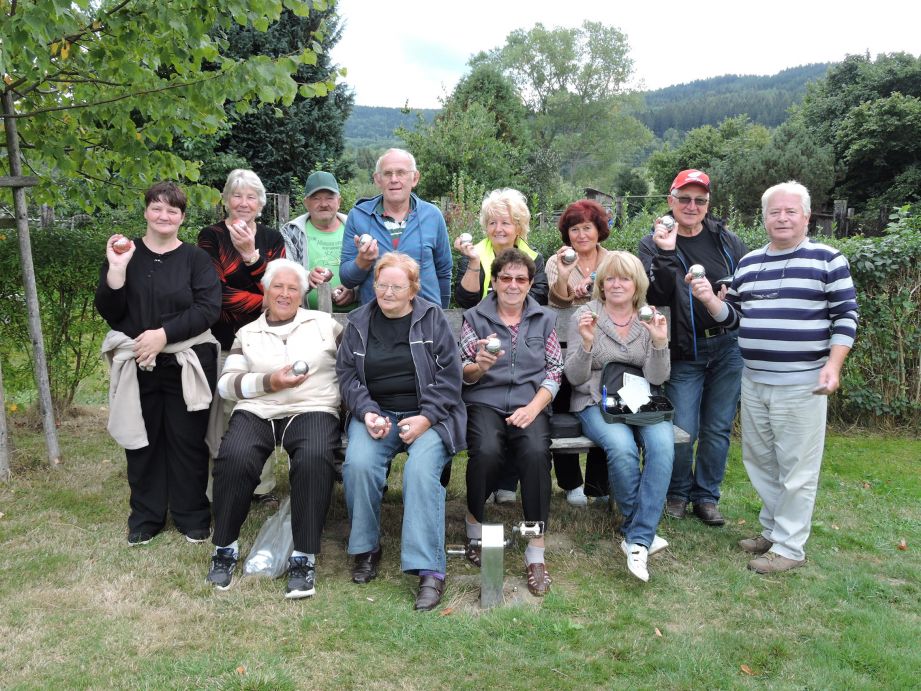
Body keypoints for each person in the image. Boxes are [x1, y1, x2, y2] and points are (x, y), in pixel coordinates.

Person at [691, 181, 858, 574]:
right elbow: (732, 318)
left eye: (790, 211)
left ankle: (789, 548)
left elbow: (846, 317)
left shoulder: (827, 259)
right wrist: (707, 298)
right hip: (755, 379)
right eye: (774, 212)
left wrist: (833, 366)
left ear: (806, 215)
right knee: (761, 460)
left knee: (797, 467)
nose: (782, 218)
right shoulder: (749, 263)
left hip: (803, 382)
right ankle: (772, 529)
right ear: (763, 218)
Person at [205, 259, 342, 598]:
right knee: (234, 457)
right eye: (277, 287)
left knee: (313, 458)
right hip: (259, 409)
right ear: (264, 292)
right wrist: (270, 381)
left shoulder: (326, 325)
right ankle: (225, 548)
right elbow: (227, 385)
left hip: (313, 407)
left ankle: (303, 556)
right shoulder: (248, 333)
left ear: (303, 293)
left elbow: (354, 365)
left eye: (292, 288)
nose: (284, 293)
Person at [336, 253, 466, 611]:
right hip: (378, 415)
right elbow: (346, 375)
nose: (388, 292)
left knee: (420, 472)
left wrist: (427, 417)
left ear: (413, 290)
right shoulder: (359, 321)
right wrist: (367, 413)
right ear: (373, 284)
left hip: (429, 415)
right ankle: (365, 548)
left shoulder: (432, 318)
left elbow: (450, 378)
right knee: (359, 463)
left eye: (397, 286)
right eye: (382, 284)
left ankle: (429, 569)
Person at [97, 181, 221, 546]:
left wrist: (162, 336)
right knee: (142, 439)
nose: (164, 215)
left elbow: (207, 308)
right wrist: (117, 270)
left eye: (172, 210)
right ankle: (146, 516)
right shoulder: (125, 253)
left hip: (186, 361)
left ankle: (191, 515)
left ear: (182, 217)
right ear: (146, 211)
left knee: (187, 440)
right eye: (157, 207)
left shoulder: (196, 259)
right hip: (137, 360)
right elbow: (110, 310)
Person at [638, 169, 747, 527]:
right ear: (670, 201)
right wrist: (667, 253)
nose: (691, 205)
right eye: (684, 198)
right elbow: (656, 295)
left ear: (708, 204)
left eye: (699, 199)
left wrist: (731, 294)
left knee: (717, 427)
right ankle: (677, 493)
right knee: (683, 427)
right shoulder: (652, 242)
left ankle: (706, 496)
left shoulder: (726, 240)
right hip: (686, 349)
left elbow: (745, 285)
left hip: (728, 346)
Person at [565, 252, 673, 583]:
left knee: (663, 446)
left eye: (624, 278)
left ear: (637, 283)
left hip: (640, 401)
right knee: (622, 447)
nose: (616, 284)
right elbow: (573, 377)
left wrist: (658, 344)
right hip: (595, 400)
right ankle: (640, 535)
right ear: (601, 283)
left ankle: (636, 537)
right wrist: (585, 345)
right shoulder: (585, 315)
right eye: (610, 278)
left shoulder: (648, 317)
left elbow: (658, 377)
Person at [460, 248, 562, 597]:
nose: (513, 285)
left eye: (521, 279)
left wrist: (534, 407)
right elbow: (464, 372)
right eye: (506, 278)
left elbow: (554, 370)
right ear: (495, 281)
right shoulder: (474, 318)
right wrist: (481, 366)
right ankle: (474, 525)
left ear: (531, 283)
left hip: (528, 404)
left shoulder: (544, 319)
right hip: (484, 402)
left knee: (535, 454)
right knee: (486, 451)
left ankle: (536, 552)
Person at [198, 169, 287, 507]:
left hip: (264, 342)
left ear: (260, 204)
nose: (244, 203)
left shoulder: (272, 238)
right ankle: (218, 485)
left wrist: (251, 255)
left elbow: (281, 286)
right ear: (226, 201)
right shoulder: (211, 237)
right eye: (237, 195)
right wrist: (265, 299)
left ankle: (261, 487)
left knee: (260, 411)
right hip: (224, 340)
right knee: (222, 415)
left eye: (251, 197)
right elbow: (216, 295)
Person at [545, 199, 614, 507]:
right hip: (565, 348)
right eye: (575, 229)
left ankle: (599, 486)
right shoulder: (556, 261)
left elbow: (627, 296)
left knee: (604, 405)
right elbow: (557, 305)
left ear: (599, 230)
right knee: (561, 410)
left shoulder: (614, 261)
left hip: (606, 348)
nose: (582, 235)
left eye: (588, 227)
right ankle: (570, 482)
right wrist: (565, 275)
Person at [339, 148, 452, 307]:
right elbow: (347, 279)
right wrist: (362, 261)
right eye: (387, 174)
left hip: (425, 321)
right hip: (376, 321)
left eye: (401, 172)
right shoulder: (358, 216)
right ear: (378, 179)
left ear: (415, 178)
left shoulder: (432, 216)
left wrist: (442, 316)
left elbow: (444, 272)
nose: (394, 179)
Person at [453, 188, 548, 308]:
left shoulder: (533, 257)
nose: (498, 229)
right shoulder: (473, 254)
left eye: (505, 223)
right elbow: (465, 301)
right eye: (492, 223)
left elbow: (540, 297)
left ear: (519, 228)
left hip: (523, 323)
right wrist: (474, 262)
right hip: (481, 323)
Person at [279, 170, 356, 310]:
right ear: (306, 203)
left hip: (358, 319)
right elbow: (285, 274)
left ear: (339, 201)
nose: (323, 204)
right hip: (310, 321)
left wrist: (355, 292)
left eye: (329, 198)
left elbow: (372, 270)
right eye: (316, 198)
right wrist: (307, 278)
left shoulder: (357, 228)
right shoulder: (291, 233)